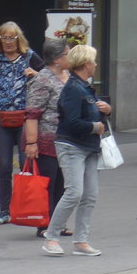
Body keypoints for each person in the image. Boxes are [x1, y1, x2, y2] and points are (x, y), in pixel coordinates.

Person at [42, 45, 110, 258]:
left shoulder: (84, 86)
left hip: (89, 147)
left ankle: (81, 241)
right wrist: (95, 127)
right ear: (86, 63)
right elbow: (71, 122)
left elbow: (91, 113)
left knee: (90, 195)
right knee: (74, 192)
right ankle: (51, 237)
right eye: (94, 61)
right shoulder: (73, 88)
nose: (96, 65)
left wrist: (106, 110)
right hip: (71, 145)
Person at [23, 38, 71, 237]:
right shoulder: (42, 79)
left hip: (65, 140)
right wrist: (32, 143)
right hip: (46, 140)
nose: (71, 57)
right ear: (57, 59)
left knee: (62, 183)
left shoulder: (67, 76)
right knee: (47, 184)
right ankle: (44, 224)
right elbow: (32, 113)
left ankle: (57, 223)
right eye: (68, 54)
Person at [0, 21, 39, 224]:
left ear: (18, 39)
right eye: (4, 37)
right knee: (4, 165)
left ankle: (24, 207)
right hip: (2, 118)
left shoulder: (29, 57)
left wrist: (35, 74)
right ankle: (4, 211)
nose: (8, 42)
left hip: (24, 119)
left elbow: (48, 78)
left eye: (11, 37)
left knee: (25, 163)